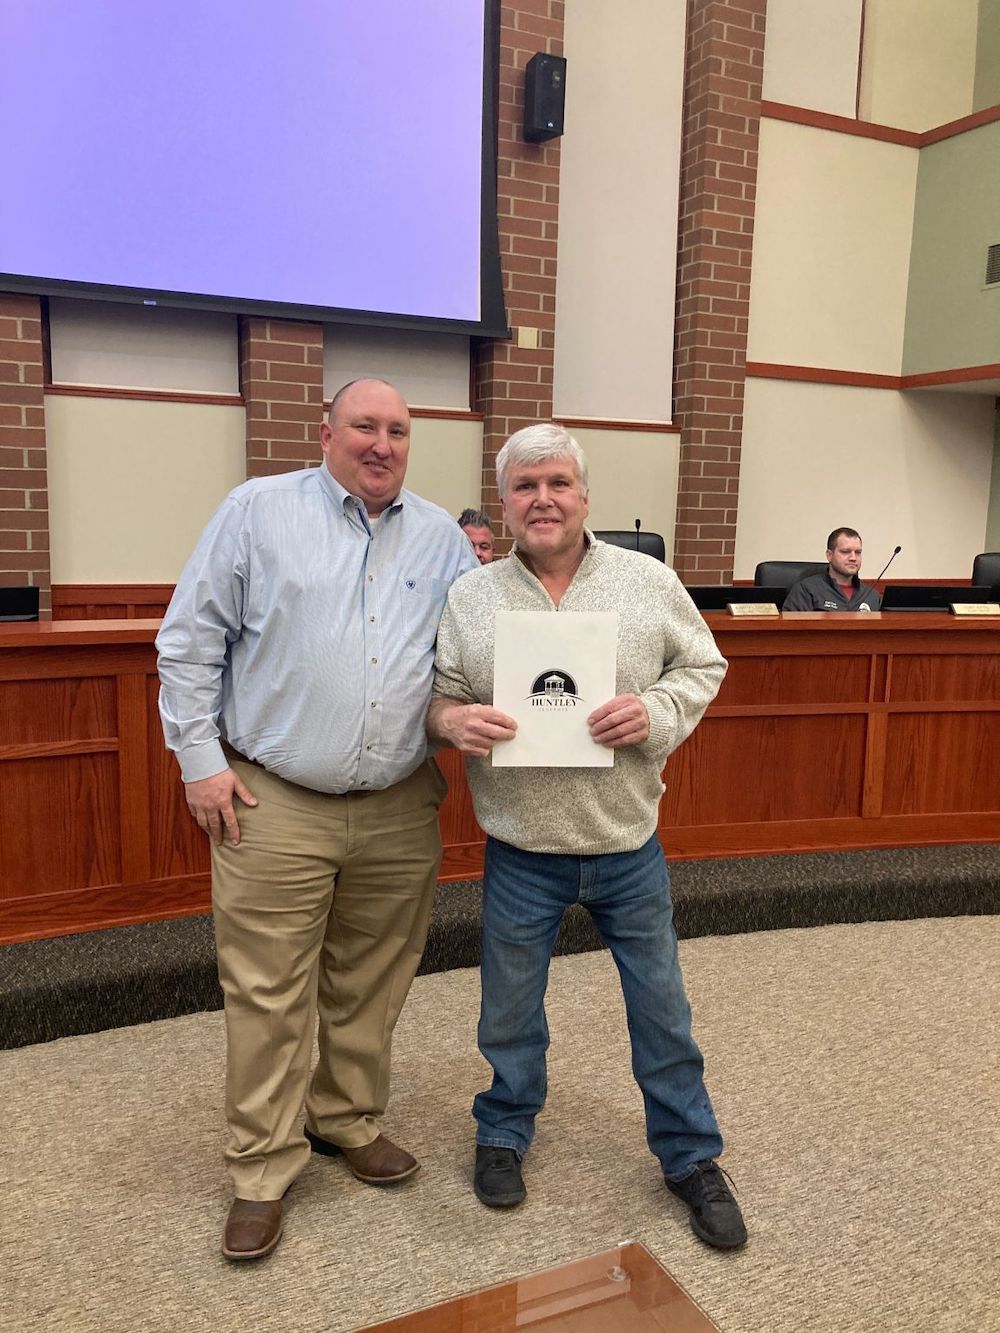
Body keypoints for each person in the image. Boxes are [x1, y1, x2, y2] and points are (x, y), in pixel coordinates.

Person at [156, 378, 476, 1262]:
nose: (382, 443)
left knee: (375, 976)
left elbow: (470, 652)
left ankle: (347, 1117)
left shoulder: (442, 537)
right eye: (365, 426)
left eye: (399, 431)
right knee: (266, 988)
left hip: (398, 804)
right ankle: (260, 1169)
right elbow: (189, 641)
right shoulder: (258, 512)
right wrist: (200, 762)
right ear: (326, 432)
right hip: (275, 799)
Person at [427, 424, 748, 1251]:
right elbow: (439, 695)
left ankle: (689, 1156)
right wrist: (453, 718)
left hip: (625, 847)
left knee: (663, 1011)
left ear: (584, 494)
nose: (544, 498)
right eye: (526, 485)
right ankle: (503, 1131)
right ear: (504, 503)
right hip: (520, 852)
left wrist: (657, 712)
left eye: (558, 482)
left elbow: (703, 666)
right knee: (508, 1013)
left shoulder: (648, 581)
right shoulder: (472, 597)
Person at [783, 527, 881, 611]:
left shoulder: (872, 596)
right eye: (845, 552)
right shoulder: (806, 591)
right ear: (829, 555)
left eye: (858, 552)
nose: (853, 558)